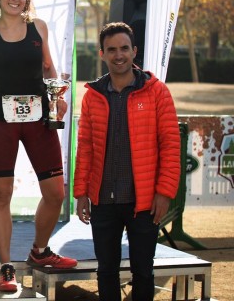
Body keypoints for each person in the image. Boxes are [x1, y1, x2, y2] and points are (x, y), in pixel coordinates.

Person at [0, 0, 77, 292]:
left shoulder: (39, 27)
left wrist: (60, 99)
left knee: (56, 193)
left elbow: (49, 67)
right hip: (0, 119)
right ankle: (6, 267)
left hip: (38, 118)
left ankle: (39, 251)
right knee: (2, 194)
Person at [75, 22, 180, 301]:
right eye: (112, 49)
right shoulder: (92, 96)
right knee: (106, 271)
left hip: (144, 202)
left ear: (134, 51)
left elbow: (170, 145)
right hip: (103, 201)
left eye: (124, 48)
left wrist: (164, 192)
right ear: (102, 54)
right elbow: (84, 147)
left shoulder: (157, 91)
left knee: (143, 272)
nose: (118, 55)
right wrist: (81, 193)